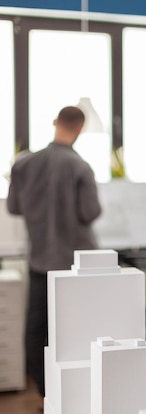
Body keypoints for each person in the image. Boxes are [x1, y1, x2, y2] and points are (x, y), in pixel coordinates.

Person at [7, 106, 102, 398]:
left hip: (40, 262)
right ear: (80, 128)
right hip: (74, 265)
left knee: (36, 328)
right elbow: (91, 211)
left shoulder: (23, 165)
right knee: (76, 329)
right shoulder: (80, 167)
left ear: (55, 124)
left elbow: (13, 208)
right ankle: (73, 393)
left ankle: (46, 392)